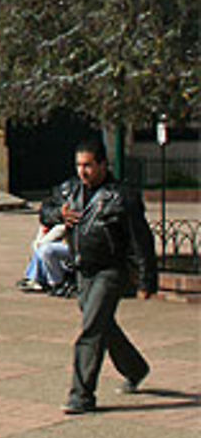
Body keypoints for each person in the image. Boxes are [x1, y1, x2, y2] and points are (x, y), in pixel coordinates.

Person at [39, 136, 157, 415]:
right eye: (80, 165)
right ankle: (135, 368)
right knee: (102, 324)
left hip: (111, 271)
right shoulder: (70, 190)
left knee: (91, 329)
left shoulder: (121, 196)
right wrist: (58, 214)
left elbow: (142, 240)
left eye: (89, 165)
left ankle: (82, 395)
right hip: (83, 271)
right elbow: (45, 211)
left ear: (103, 165)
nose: (83, 171)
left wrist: (146, 279)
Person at [17, 221, 75, 295]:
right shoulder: (54, 214)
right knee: (40, 244)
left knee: (46, 249)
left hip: (76, 244)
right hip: (61, 232)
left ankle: (56, 283)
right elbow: (46, 216)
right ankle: (35, 278)